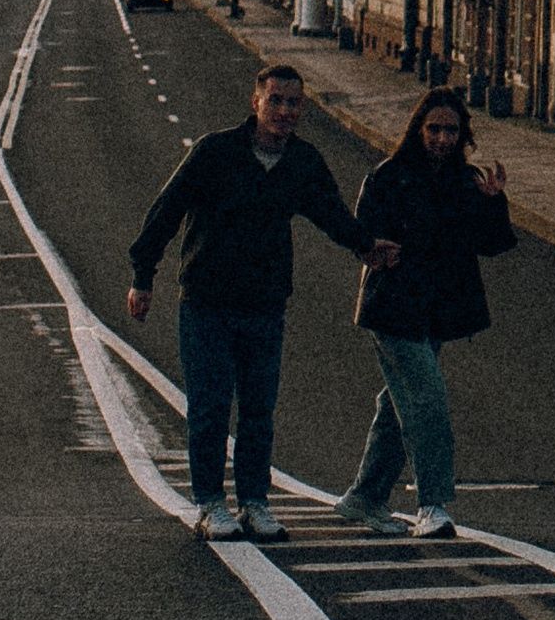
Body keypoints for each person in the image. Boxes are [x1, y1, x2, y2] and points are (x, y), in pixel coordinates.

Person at [127, 66, 398, 542]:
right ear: (256, 102)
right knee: (211, 407)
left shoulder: (302, 162)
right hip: (207, 303)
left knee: (258, 410)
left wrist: (366, 247)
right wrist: (142, 277)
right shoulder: (216, 152)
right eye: (276, 100)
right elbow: (167, 210)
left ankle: (255, 502)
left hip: (265, 305)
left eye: (293, 103)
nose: (285, 111)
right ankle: (211, 504)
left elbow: (331, 213)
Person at [333, 86, 515, 540]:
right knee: (426, 400)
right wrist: (373, 248)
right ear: (417, 130)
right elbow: (362, 232)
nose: (442, 139)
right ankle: (431, 504)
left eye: (451, 130)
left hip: (437, 311)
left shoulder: (466, 181)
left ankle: (364, 497)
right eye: (434, 129)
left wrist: (493, 203)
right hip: (392, 307)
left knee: (398, 404)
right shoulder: (389, 176)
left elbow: (493, 244)